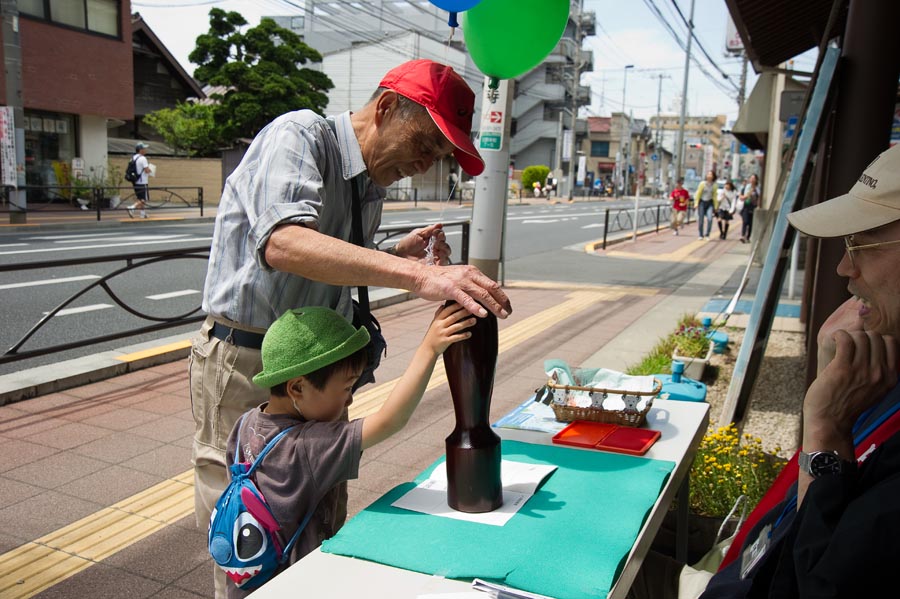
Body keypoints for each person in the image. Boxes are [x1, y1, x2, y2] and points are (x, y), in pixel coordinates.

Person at [190, 58, 512, 598]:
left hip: (316, 373)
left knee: (317, 516)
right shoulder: (298, 136)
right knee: (250, 534)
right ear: (386, 108)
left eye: (439, 156)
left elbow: (330, 263)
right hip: (250, 366)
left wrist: (390, 253)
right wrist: (415, 275)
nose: (428, 162)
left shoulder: (370, 185)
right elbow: (285, 242)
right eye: (428, 142)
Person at [628, 144, 900, 599]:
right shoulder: (881, 373)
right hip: (750, 556)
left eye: (864, 242)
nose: (844, 267)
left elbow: (814, 580)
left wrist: (827, 427)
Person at [221, 303, 474, 597]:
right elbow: (390, 420)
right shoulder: (307, 447)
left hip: (249, 579)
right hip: (297, 585)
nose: (349, 402)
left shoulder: (245, 424)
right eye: (346, 389)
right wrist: (429, 349)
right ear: (297, 388)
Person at [127, 142, 151, 219]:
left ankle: (143, 213)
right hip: (142, 181)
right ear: (140, 150)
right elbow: (147, 170)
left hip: (135, 181)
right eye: (144, 148)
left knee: (140, 198)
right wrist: (150, 170)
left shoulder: (133, 158)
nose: (145, 150)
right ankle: (132, 207)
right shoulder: (143, 158)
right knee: (143, 199)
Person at [694, 170, 719, 240]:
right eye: (708, 174)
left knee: (710, 219)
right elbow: (698, 194)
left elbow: (715, 196)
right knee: (701, 219)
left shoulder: (714, 185)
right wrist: (696, 203)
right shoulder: (702, 184)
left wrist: (716, 206)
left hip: (710, 203)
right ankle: (701, 234)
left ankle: (707, 234)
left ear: (713, 176)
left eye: (711, 174)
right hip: (701, 202)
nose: (709, 176)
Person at [738, 173, 760, 243]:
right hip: (746, 206)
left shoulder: (758, 188)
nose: (752, 180)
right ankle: (743, 236)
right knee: (745, 221)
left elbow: (759, 197)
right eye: (751, 178)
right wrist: (749, 193)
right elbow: (742, 196)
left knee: (751, 223)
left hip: (754, 207)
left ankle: (748, 237)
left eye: (754, 178)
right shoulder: (747, 187)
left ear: (756, 180)